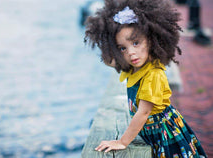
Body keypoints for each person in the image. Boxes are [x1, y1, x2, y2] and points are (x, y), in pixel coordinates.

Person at [84, 0, 207, 157]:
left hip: (165, 134)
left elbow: (143, 112)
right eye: (123, 48)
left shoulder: (152, 74)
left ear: (151, 40)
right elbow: (110, 61)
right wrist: (107, 40)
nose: (131, 53)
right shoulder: (133, 68)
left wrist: (122, 142)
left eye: (136, 43)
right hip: (151, 134)